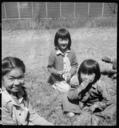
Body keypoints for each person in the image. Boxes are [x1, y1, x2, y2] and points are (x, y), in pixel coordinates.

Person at [62, 59, 116, 125]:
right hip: (81, 102)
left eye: (90, 74)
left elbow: (108, 100)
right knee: (66, 96)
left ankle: (97, 117)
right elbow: (71, 96)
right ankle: (73, 111)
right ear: (79, 72)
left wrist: (96, 105)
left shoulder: (100, 84)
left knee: (113, 104)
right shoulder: (76, 81)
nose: (86, 77)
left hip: (96, 105)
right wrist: (81, 87)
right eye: (84, 73)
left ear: (96, 75)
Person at [2, 56, 53, 125]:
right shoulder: (3, 101)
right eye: (11, 78)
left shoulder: (21, 92)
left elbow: (32, 116)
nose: (17, 83)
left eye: (20, 77)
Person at [47, 28, 78, 92]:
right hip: (58, 78)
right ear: (56, 41)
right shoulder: (53, 53)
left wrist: (70, 73)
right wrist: (58, 73)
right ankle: (54, 83)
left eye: (66, 40)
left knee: (77, 83)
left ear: (69, 40)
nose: (63, 43)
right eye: (61, 40)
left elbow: (74, 65)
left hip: (69, 75)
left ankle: (69, 83)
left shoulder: (72, 52)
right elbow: (50, 67)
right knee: (67, 89)